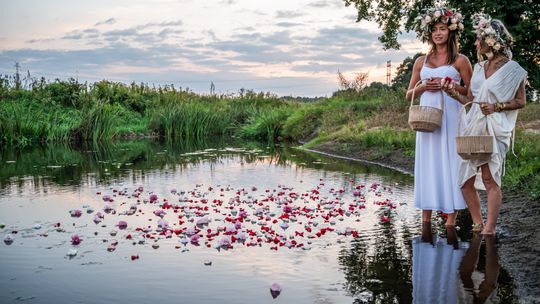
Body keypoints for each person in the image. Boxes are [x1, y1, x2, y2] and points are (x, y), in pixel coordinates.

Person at [442, 14, 527, 235]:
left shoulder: (513, 69)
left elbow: (521, 101)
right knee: (464, 180)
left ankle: (489, 229)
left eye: (478, 39)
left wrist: (497, 107)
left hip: (495, 127)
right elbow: (470, 100)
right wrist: (452, 94)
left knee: (490, 178)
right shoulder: (479, 68)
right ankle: (478, 223)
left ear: (490, 40)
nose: (475, 43)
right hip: (473, 125)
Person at [406, 7, 473, 226]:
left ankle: (450, 219)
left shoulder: (461, 60)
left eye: (442, 28)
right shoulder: (420, 62)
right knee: (428, 162)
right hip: (426, 120)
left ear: (450, 31)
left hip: (451, 118)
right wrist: (424, 86)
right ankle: (425, 217)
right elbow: (409, 95)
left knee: (450, 161)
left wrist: (453, 86)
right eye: (434, 29)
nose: (438, 33)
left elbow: (472, 94)